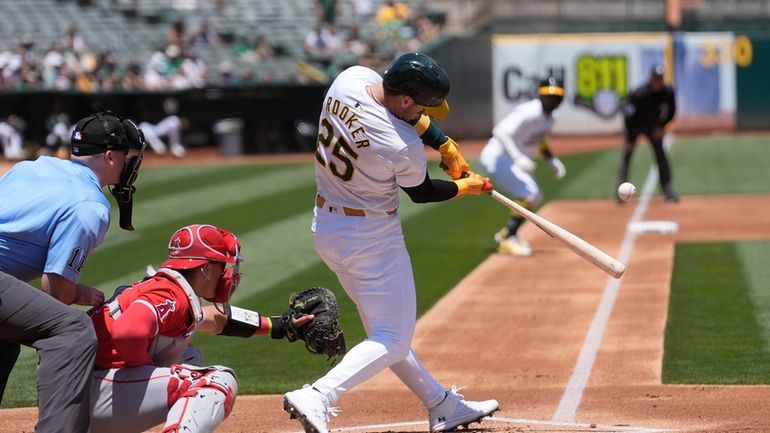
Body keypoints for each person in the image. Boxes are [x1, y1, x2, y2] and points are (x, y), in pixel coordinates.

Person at [283, 52, 499, 433]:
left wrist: (443, 143)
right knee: (394, 338)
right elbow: (423, 192)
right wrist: (466, 186)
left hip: (328, 227)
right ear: (404, 98)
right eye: (421, 104)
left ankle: (442, 405)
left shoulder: (349, 78)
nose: (424, 110)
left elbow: (405, 113)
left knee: (385, 333)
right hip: (370, 239)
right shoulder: (400, 145)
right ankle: (319, 394)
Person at [0, 110, 146, 433]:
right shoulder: (89, 206)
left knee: (6, 333)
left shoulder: (33, 166)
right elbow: (55, 291)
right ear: (109, 156)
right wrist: (81, 293)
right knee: (73, 332)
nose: (130, 164)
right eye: (126, 156)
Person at [88, 224, 313, 433]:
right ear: (205, 268)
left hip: (89, 389)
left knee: (189, 356)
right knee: (215, 380)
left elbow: (212, 319)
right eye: (222, 266)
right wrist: (146, 371)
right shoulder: (169, 295)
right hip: (87, 395)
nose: (227, 274)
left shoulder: (171, 290)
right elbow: (128, 333)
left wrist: (279, 326)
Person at [479, 76, 567, 257]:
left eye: (556, 97)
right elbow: (500, 131)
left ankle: (507, 234)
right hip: (498, 156)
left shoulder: (550, 117)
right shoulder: (529, 112)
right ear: (540, 96)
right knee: (530, 194)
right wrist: (518, 157)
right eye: (548, 96)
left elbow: (539, 138)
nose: (551, 100)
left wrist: (551, 160)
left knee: (535, 197)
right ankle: (507, 239)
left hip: (511, 158)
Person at [618, 64, 678, 203]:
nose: (658, 81)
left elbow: (672, 111)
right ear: (651, 78)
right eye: (656, 78)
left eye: (660, 78)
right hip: (634, 126)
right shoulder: (639, 93)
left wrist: (662, 127)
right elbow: (627, 114)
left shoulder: (667, 92)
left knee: (661, 156)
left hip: (653, 127)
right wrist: (629, 138)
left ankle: (668, 190)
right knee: (627, 156)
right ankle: (620, 193)